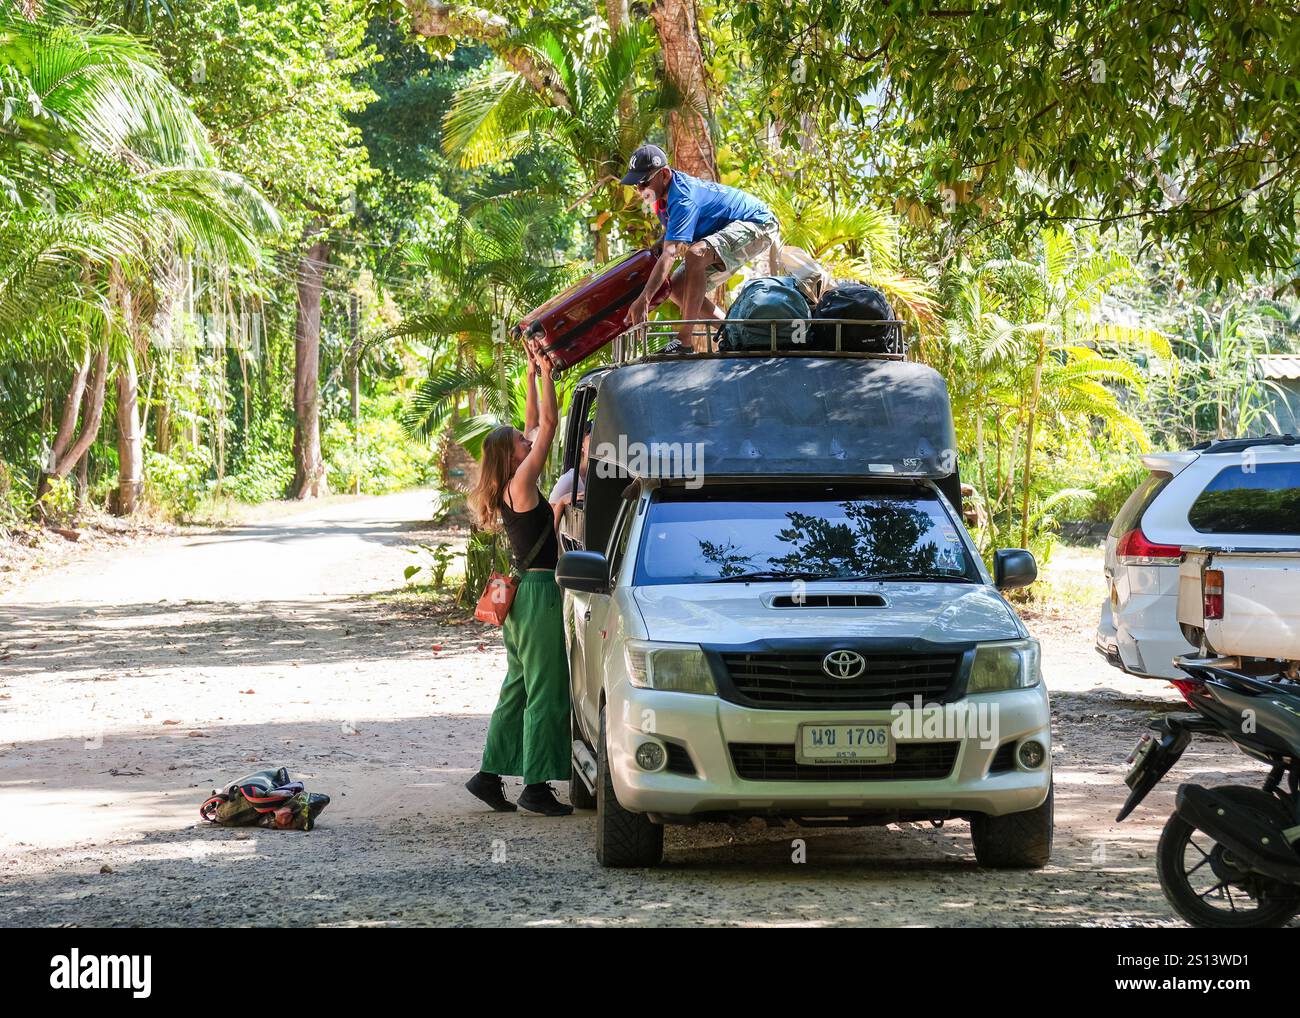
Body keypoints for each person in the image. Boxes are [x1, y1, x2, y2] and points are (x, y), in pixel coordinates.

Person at [464, 350, 573, 817]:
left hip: (521, 598)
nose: (527, 442)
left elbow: (531, 425)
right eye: (520, 443)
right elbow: (546, 427)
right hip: (541, 594)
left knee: (520, 689)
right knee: (548, 691)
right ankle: (536, 786)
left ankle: (489, 776)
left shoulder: (512, 485)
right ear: (513, 456)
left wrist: (529, 376)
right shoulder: (523, 484)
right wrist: (549, 374)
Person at [621, 143, 780, 352]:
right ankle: (735, 333)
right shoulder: (662, 199)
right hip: (729, 229)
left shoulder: (683, 199)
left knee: (696, 254)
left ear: (665, 175)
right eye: (636, 185)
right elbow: (668, 241)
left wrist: (645, 298)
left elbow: (670, 252)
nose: (640, 190)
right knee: (676, 288)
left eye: (644, 183)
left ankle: (684, 341)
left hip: (758, 223)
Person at [549, 420, 591, 528]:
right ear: (582, 445)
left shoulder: (599, 479)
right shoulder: (569, 479)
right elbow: (548, 522)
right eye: (591, 434)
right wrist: (562, 502)